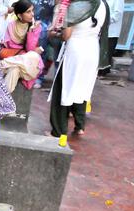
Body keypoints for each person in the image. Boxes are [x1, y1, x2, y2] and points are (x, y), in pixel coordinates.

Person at [48, 0, 109, 137]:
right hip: (93, 50)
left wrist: (54, 34)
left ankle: (58, 131)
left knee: (64, 89)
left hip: (75, 51)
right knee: (82, 89)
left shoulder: (75, 7)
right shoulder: (103, 5)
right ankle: (80, 126)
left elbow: (66, 35)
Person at [0, 0, 44, 93]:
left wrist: (32, 32)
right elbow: (6, 47)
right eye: (28, 12)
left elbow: (30, 50)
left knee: (33, 55)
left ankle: (0, 65)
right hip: (16, 61)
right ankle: (3, 98)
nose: (32, 14)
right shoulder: (11, 26)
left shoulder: (36, 27)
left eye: (32, 11)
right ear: (19, 15)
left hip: (29, 65)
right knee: (14, 70)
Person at [31, 0, 56, 88]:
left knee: (41, 52)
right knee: (29, 50)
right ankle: (29, 75)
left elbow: (56, 9)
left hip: (45, 26)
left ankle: (38, 78)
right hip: (31, 23)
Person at [98, 0, 124, 76]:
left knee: (107, 51)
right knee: (100, 50)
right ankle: (99, 70)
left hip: (111, 31)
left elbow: (117, 14)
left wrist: (105, 20)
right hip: (101, 29)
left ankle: (103, 72)